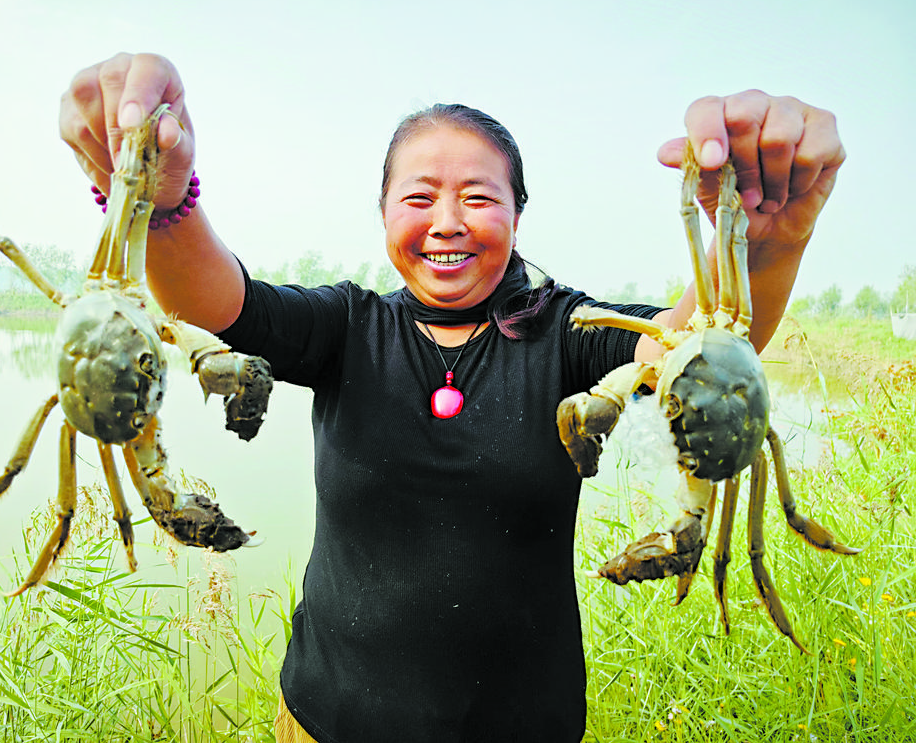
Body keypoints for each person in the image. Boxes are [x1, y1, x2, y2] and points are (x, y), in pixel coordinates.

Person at [60, 53, 845, 742]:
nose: (447, 223)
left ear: (515, 215)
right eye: (418, 197)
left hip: (524, 726)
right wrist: (161, 203)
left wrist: (770, 241)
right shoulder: (346, 326)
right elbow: (222, 308)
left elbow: (687, 345)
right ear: (382, 215)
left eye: (478, 197)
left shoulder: (567, 331)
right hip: (326, 722)